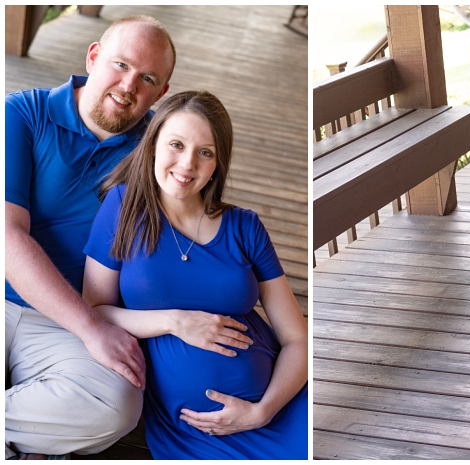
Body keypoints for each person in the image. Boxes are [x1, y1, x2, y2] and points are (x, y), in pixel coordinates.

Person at [81, 91, 308, 459]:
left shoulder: (245, 227)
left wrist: (262, 411)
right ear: (153, 144)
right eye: (176, 144)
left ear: (218, 163)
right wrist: (175, 322)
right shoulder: (123, 207)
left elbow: (297, 339)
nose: (187, 164)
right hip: (194, 429)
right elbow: (93, 309)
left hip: (279, 409)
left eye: (205, 152)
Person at [5, 16, 175, 459]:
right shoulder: (23, 112)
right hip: (26, 303)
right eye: (120, 64)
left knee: (116, 406)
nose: (128, 85)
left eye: (148, 78)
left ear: (161, 92)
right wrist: (92, 328)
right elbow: (7, 234)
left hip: (68, 321)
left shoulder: (159, 149)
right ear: (94, 56)